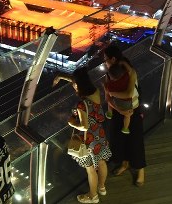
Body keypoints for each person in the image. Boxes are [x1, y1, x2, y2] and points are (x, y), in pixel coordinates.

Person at [54, 67, 111, 203]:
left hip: (88, 140)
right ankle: (101, 187)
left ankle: (93, 196)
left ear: (78, 85)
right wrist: (61, 76)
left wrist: (72, 123)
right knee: (101, 162)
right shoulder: (95, 92)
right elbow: (77, 80)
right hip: (99, 134)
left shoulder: (81, 104)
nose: (73, 86)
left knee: (90, 169)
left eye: (75, 84)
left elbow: (84, 126)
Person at [102, 45, 146, 187]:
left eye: (106, 59)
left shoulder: (130, 73)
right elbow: (107, 99)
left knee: (135, 140)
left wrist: (111, 92)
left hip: (133, 110)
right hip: (118, 111)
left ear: (113, 59)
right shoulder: (109, 75)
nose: (104, 62)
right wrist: (118, 109)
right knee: (120, 139)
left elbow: (128, 93)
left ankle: (140, 170)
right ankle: (125, 164)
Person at [104, 63, 134, 134]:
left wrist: (106, 82)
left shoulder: (109, 85)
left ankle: (109, 113)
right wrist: (123, 63)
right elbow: (130, 70)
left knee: (110, 100)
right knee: (127, 115)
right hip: (126, 102)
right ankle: (125, 128)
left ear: (111, 77)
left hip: (117, 101)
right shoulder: (125, 77)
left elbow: (107, 96)